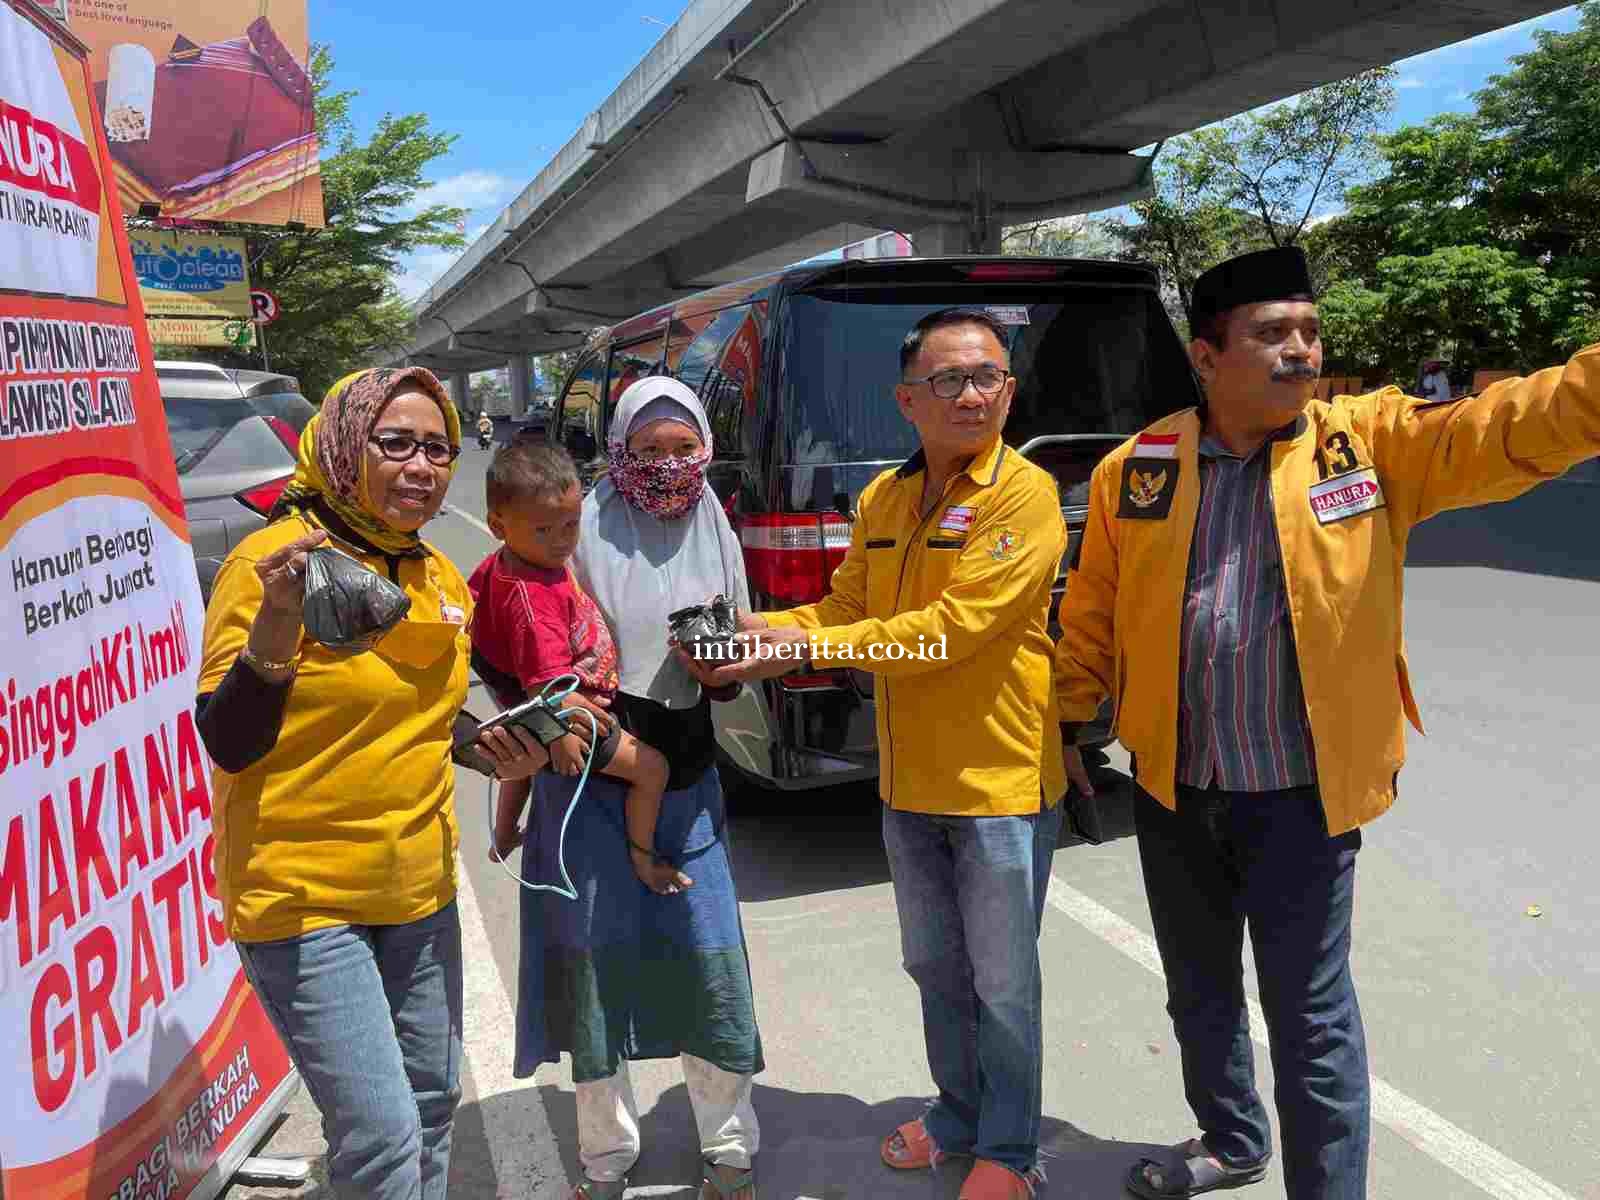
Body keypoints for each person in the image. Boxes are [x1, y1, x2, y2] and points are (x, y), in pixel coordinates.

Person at [1052, 245, 1600, 1200]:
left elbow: (1516, 423)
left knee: (1311, 1021)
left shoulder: (1371, 442)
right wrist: (1061, 724)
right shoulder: (1136, 469)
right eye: (1273, 334)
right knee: (1200, 996)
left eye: (1309, 331)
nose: (1301, 351)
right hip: (1174, 790)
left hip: (1306, 795)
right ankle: (1230, 1141)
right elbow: (1093, 611)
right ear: (1207, 355)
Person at [703, 308, 1068, 1200]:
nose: (972, 394)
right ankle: (957, 1112)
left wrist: (801, 650)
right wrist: (761, 628)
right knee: (935, 968)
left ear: (1009, 391)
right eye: (949, 380)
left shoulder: (1024, 495)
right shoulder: (885, 500)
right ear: (909, 399)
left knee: (1004, 983)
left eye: (988, 377)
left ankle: (1011, 1152)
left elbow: (952, 634)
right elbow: (844, 608)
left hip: (999, 784)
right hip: (910, 784)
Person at [195, 366, 552, 1200]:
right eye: (396, 443)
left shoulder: (429, 572)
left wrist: (489, 744)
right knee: (382, 1140)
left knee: (432, 1105)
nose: (421, 466)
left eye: (437, 447)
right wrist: (278, 625)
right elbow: (231, 741)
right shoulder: (271, 564)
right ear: (348, 445)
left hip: (418, 890)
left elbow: (425, 715)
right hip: (306, 902)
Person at [513, 376, 763, 1200]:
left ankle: (728, 1147)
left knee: (709, 959)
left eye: (681, 447)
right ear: (618, 448)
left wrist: (723, 673)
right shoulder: (578, 523)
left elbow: (737, 642)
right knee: (598, 971)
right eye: (648, 449)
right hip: (586, 784)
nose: (666, 465)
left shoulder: (715, 521)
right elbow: (532, 643)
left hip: (687, 779)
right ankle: (605, 1158)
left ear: (705, 451)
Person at [466, 441, 685, 894]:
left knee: (521, 758)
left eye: (571, 525)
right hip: (571, 711)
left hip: (526, 709)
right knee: (653, 770)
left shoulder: (508, 564)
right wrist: (562, 734)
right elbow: (545, 689)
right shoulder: (534, 602)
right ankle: (644, 859)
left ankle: (504, 833)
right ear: (497, 525)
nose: (563, 541)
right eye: (545, 530)